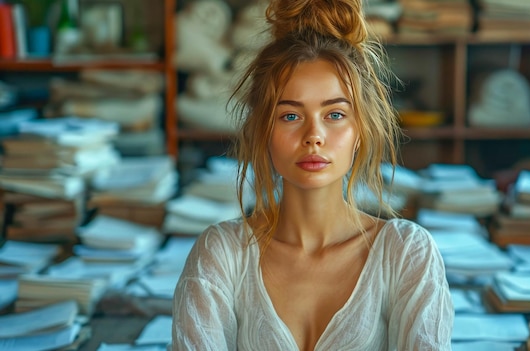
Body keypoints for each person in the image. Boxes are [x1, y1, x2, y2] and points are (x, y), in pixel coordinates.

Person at [171, 0, 454, 350]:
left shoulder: (405, 253)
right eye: (290, 116)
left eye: (335, 115)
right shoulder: (221, 255)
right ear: (263, 131)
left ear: (360, 131)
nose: (313, 136)